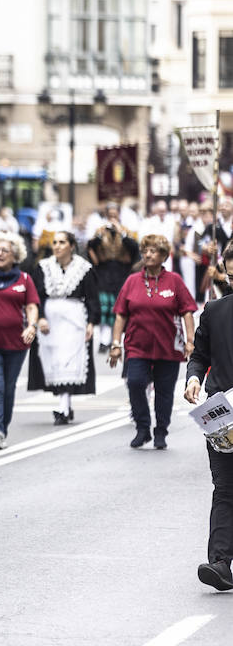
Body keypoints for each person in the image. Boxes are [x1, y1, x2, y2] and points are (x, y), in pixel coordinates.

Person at [109, 234, 196, 449]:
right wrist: (115, 344)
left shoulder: (174, 281)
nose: (148, 254)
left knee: (164, 392)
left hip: (168, 347)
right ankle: (142, 427)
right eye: (145, 250)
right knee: (135, 382)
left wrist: (190, 341)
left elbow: (187, 312)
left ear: (164, 256)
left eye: (153, 251)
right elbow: (121, 314)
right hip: (137, 346)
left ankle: (161, 432)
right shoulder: (132, 281)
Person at [184, 242, 233, 592]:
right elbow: (199, 355)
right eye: (232, 270)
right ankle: (220, 563)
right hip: (223, 415)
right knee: (226, 488)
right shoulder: (214, 311)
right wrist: (193, 377)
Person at [28, 232, 100, 425]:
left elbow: (92, 297)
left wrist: (91, 322)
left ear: (72, 246)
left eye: (62, 242)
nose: (57, 246)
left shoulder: (84, 268)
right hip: (50, 320)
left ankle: (63, 406)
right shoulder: (43, 267)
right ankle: (64, 405)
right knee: (54, 361)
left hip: (74, 319)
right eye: (55, 243)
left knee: (69, 359)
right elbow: (36, 296)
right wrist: (40, 317)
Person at [0, 232, 39, 450]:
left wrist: (32, 326)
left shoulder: (25, 279)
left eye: (5, 250)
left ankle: (2, 428)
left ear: (16, 255)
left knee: (9, 388)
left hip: (16, 343)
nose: (0, 253)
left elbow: (31, 306)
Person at [86, 223, 139, 348]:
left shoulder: (126, 232)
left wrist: (122, 233)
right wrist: (100, 234)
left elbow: (134, 248)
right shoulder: (100, 232)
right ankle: (104, 340)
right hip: (104, 274)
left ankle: (114, 338)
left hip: (121, 274)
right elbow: (91, 247)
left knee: (118, 307)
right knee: (105, 307)